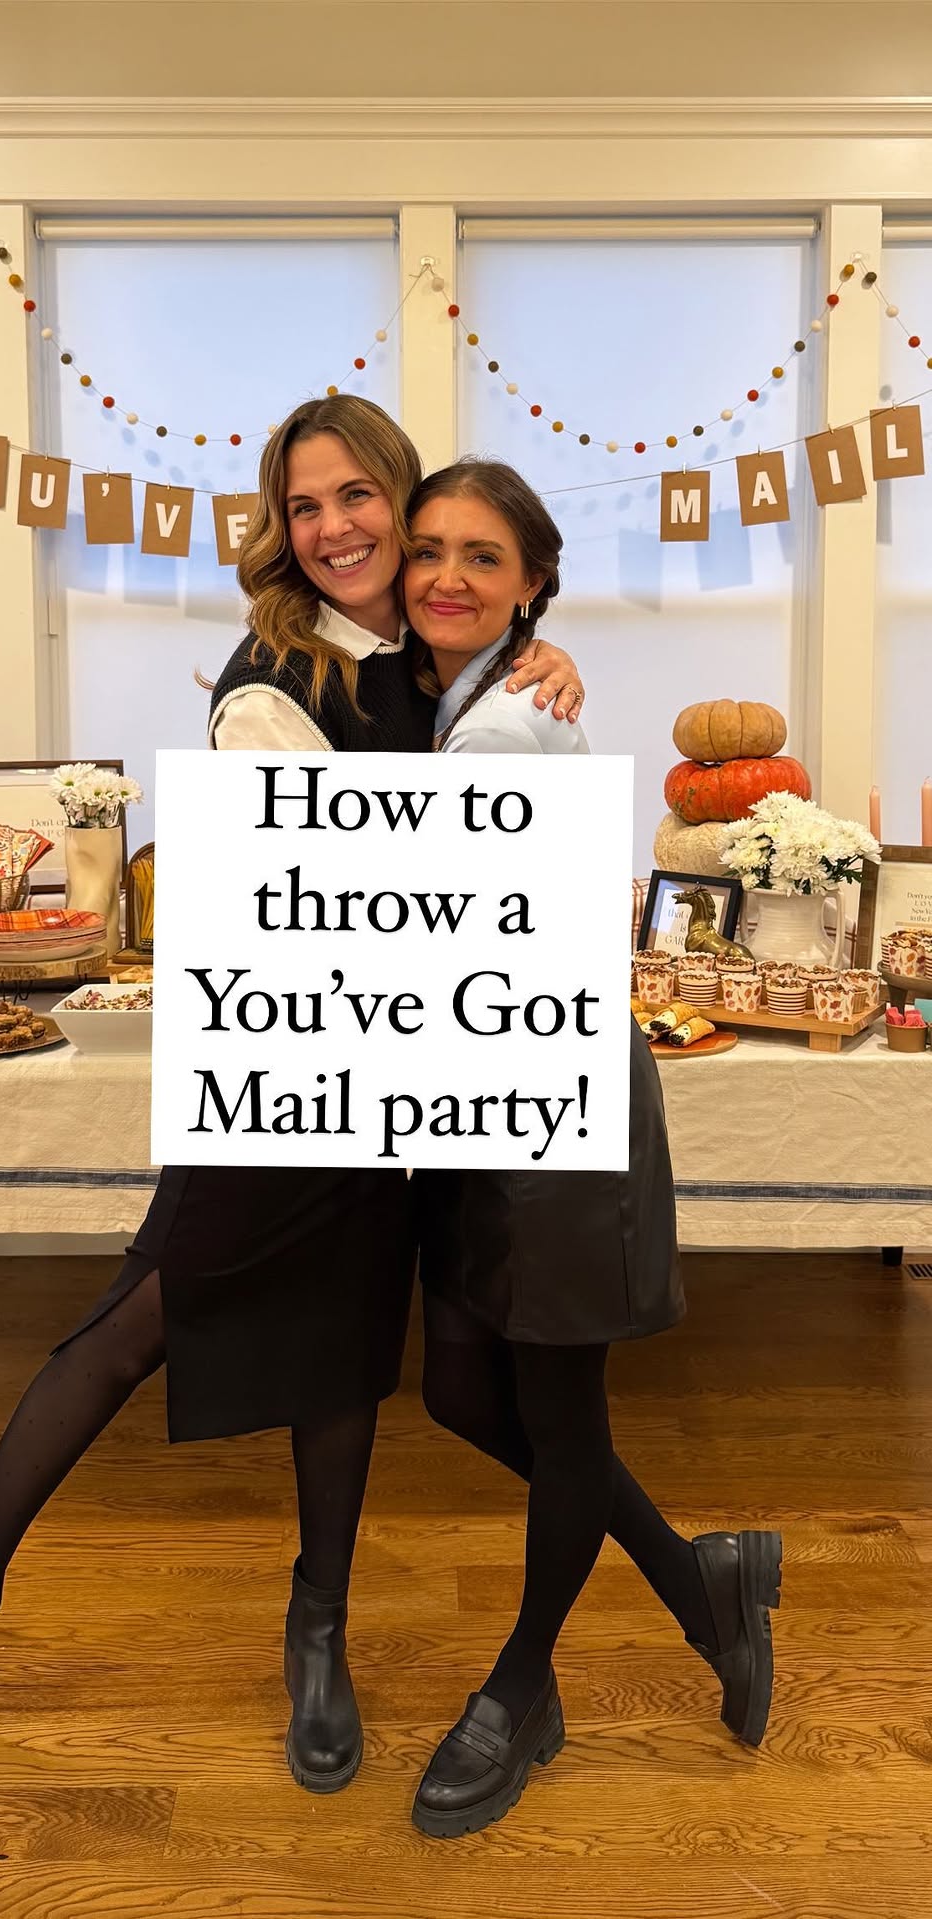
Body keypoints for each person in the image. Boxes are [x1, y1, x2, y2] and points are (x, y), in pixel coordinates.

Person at [0, 399, 586, 1794]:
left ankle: (318, 1631)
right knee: (147, 1313)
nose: (335, 529)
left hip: (397, 1076)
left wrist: (534, 658)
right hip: (289, 1070)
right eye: (303, 505)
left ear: (403, 496)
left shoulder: (428, 660)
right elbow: (327, 894)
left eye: (357, 496)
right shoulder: (272, 683)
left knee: (346, 1353)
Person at [402, 458, 783, 1839]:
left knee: (558, 1414)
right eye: (430, 548)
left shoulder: (509, 724)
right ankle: (698, 1584)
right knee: (463, 1391)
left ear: (534, 584)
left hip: (549, 1098)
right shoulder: (461, 696)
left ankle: (520, 1688)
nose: (447, 575)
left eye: (483, 557)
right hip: (480, 1091)